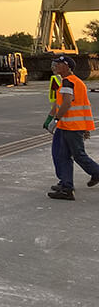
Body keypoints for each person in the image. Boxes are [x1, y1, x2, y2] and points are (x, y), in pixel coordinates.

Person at [46, 55, 99, 200]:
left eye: (58, 64)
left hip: (72, 126)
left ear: (67, 67)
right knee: (64, 156)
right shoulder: (71, 81)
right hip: (70, 126)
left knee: (78, 155)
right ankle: (66, 188)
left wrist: (55, 120)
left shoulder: (68, 82)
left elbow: (67, 103)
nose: (55, 66)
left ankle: (96, 173)